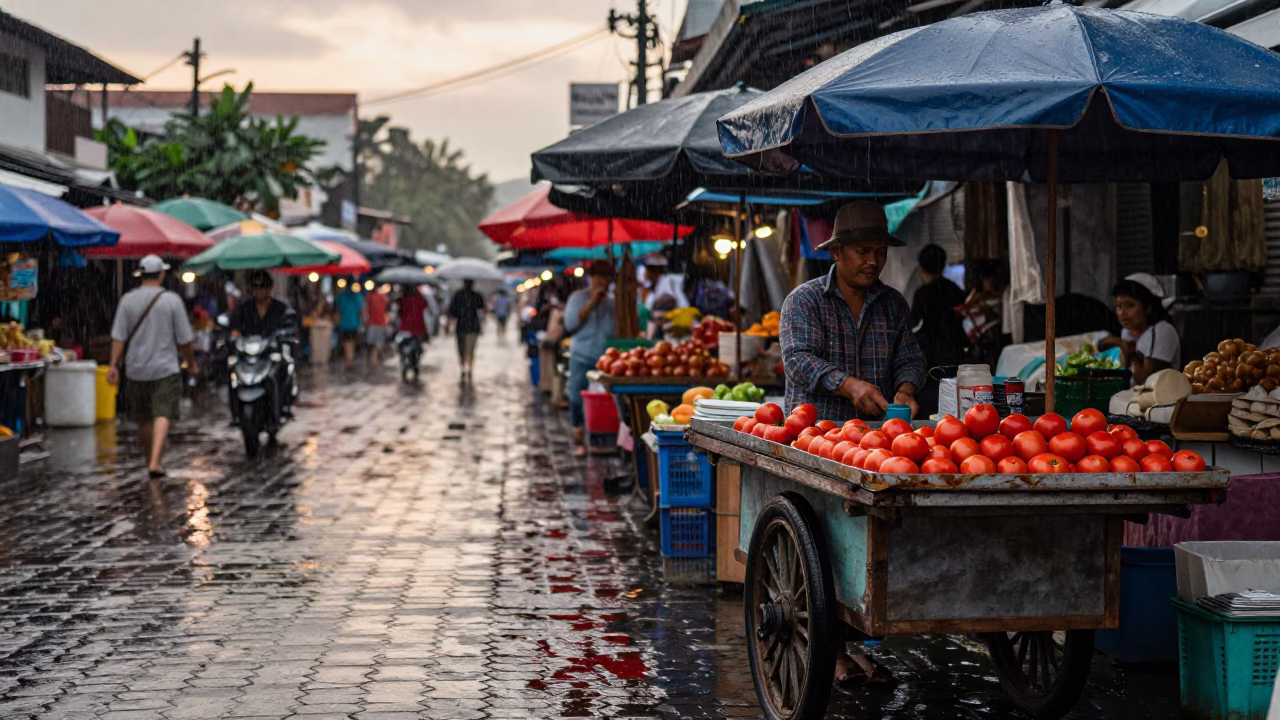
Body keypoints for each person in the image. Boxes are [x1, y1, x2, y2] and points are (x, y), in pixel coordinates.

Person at [107, 254, 198, 478]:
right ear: (161, 274)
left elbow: (119, 337)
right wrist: (191, 362)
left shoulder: (127, 300)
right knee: (162, 412)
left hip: (136, 368)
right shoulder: (172, 300)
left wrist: (113, 365)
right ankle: (155, 460)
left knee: (144, 417)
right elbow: (185, 339)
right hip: (165, 368)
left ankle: (152, 459)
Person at [564, 260, 617, 457]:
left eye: (606, 277)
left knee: (604, 401)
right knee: (577, 398)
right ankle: (579, 439)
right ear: (591, 278)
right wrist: (591, 303)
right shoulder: (578, 297)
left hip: (604, 360)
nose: (602, 281)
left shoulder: (612, 304)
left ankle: (600, 438)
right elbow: (570, 325)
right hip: (581, 356)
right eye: (598, 277)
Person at [909, 244, 968, 416]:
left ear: (921, 267)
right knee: (954, 411)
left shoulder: (922, 295)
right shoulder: (954, 290)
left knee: (930, 413)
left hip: (930, 366)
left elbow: (915, 327)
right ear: (943, 265)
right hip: (955, 360)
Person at [1103, 272, 1180, 385]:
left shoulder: (1162, 331)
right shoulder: (1128, 332)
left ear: (1148, 308)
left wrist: (1131, 354)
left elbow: (1145, 381)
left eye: (1130, 305)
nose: (1122, 313)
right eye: (1119, 306)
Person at [447, 279, 486, 378]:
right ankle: (467, 367)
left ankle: (466, 367)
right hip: (469, 326)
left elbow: (452, 312)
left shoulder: (461, 295)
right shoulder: (473, 295)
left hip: (465, 326)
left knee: (465, 349)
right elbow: (482, 311)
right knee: (467, 349)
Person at [334, 283, 364, 370]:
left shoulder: (341, 296)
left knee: (347, 343)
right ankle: (350, 360)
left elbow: (337, 310)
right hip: (354, 324)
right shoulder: (357, 296)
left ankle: (349, 360)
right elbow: (361, 310)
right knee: (352, 342)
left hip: (344, 325)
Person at [364, 286, 389, 366]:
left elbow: (366, 310)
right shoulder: (383, 297)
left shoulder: (370, 297)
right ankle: (375, 358)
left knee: (373, 343)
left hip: (373, 323)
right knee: (377, 342)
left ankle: (373, 359)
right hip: (380, 323)